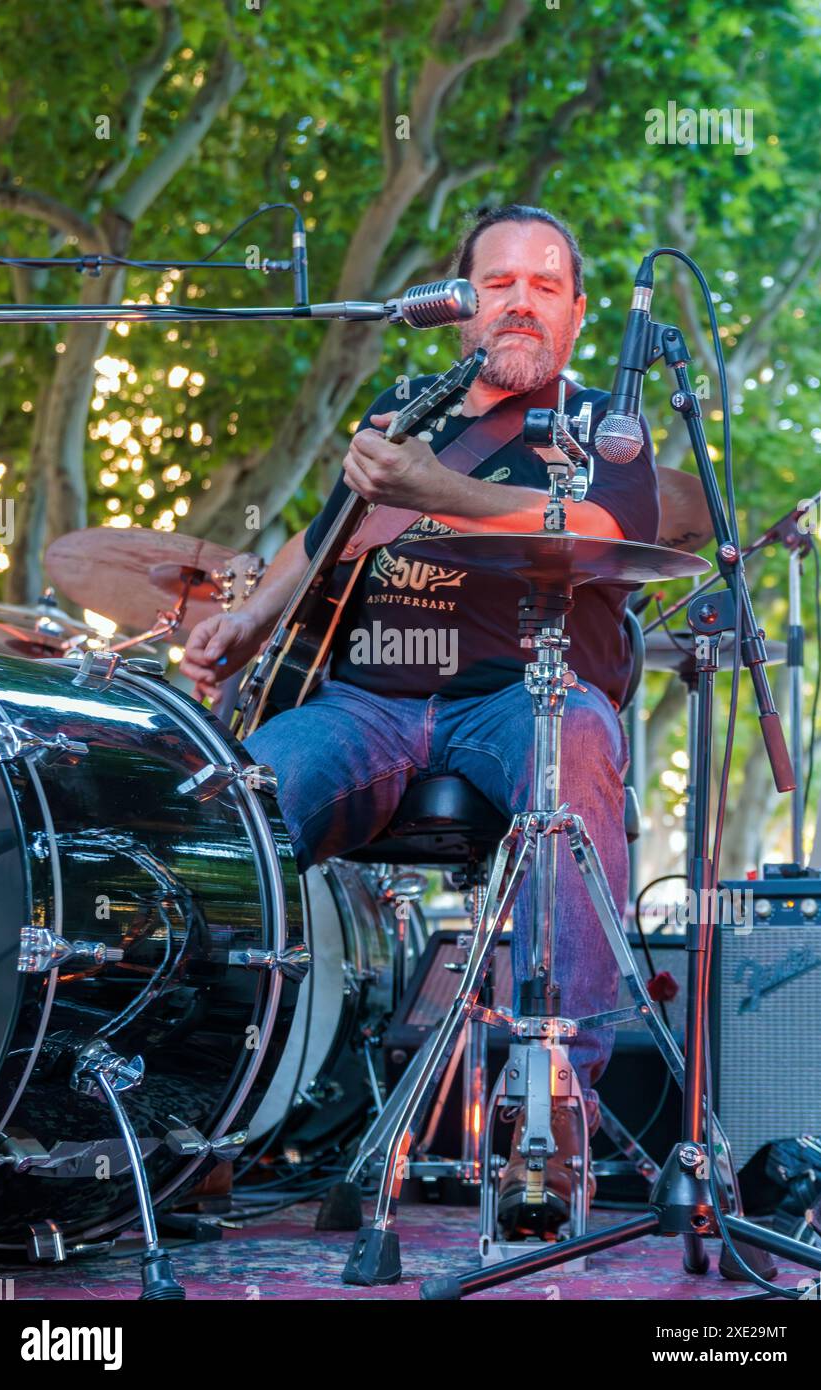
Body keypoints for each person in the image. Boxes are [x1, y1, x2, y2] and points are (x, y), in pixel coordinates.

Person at [182, 203, 660, 1237]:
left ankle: (551, 1104)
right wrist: (246, 627)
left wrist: (435, 488)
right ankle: (196, 1109)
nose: (520, 300)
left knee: (578, 738)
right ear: (460, 308)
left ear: (576, 311)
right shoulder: (405, 402)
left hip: (517, 697)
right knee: (233, 811)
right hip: (363, 702)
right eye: (497, 283)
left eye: (543, 284)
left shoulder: (602, 425)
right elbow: (325, 537)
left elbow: (600, 529)